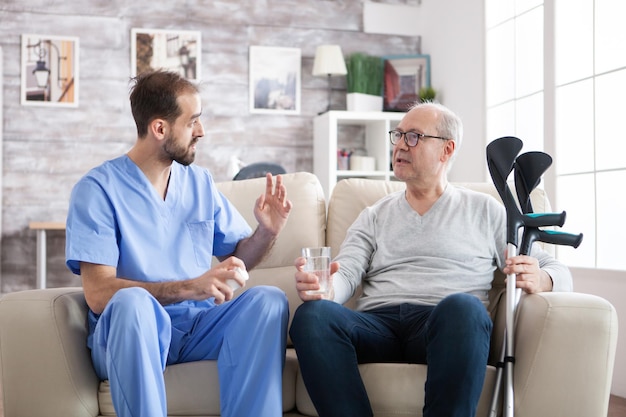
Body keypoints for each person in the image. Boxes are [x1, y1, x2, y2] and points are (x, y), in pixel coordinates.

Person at [290, 101, 572, 417]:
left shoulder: (485, 210)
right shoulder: (374, 215)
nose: (399, 145)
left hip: (444, 323)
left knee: (464, 307)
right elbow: (346, 273)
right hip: (378, 326)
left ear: (446, 150)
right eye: (397, 135)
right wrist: (324, 288)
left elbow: (555, 268)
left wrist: (542, 277)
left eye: (413, 136)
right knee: (312, 315)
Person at [65, 70, 293, 417]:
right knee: (132, 303)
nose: (201, 131)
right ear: (160, 129)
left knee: (268, 301)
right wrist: (189, 287)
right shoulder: (97, 190)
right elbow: (98, 294)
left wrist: (267, 232)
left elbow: (238, 257)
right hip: (134, 331)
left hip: (197, 327)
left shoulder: (199, 182)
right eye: (193, 122)